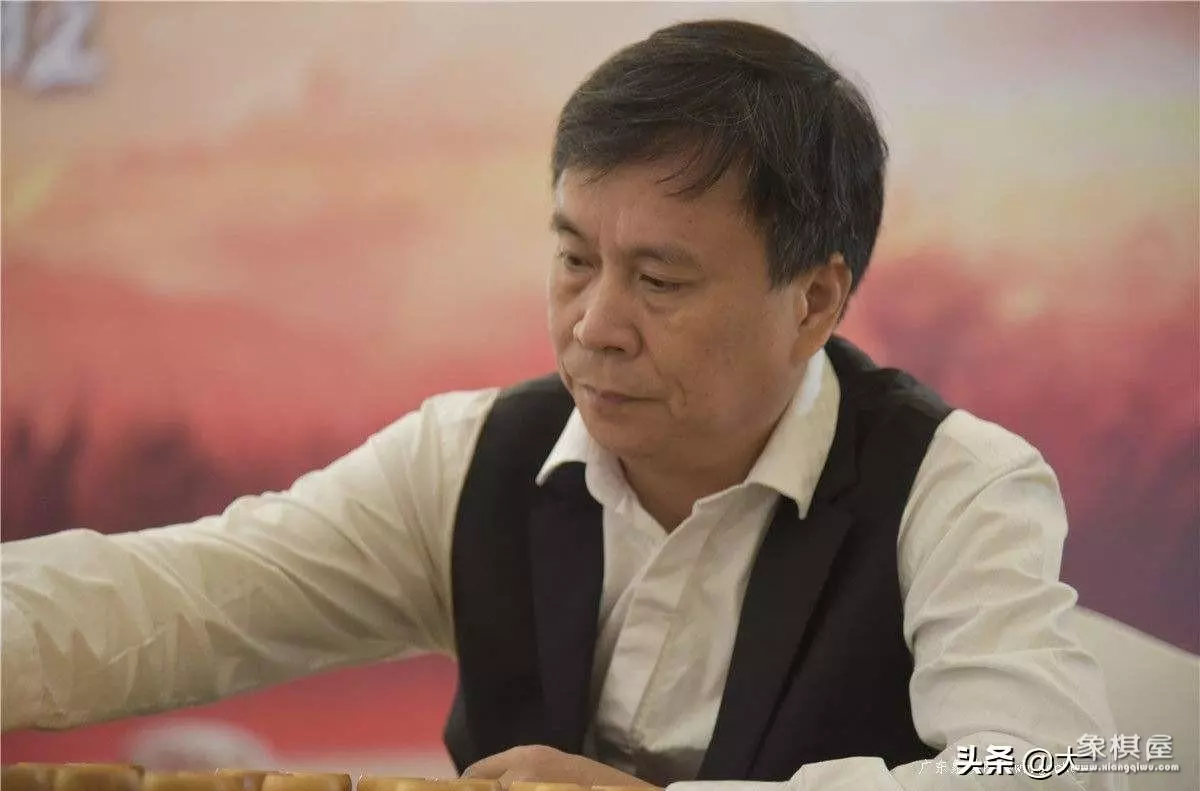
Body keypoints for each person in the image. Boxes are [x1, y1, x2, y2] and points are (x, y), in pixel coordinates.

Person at [2, 18, 1122, 791]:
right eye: (575, 258)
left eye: (661, 280)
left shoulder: (953, 484)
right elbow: (172, 597)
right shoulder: (471, 460)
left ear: (816, 298)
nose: (595, 324)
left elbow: (1050, 769)